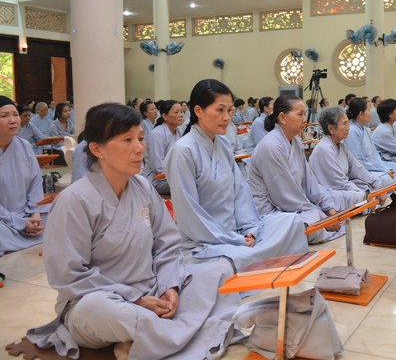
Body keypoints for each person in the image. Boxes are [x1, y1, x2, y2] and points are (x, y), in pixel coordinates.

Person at [27, 102, 242, 360]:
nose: (140, 148)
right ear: (97, 149)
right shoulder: (74, 200)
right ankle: (185, 335)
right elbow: (68, 275)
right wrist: (134, 299)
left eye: (140, 138)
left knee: (220, 270)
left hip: (153, 289)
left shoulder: (142, 186)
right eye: (127, 140)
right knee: (99, 310)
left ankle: (148, 339)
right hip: (104, 300)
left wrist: (170, 286)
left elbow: (167, 244)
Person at [164, 80, 308, 270]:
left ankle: (252, 256)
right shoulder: (183, 151)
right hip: (205, 241)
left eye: (230, 110)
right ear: (198, 111)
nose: (226, 117)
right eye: (220, 110)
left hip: (237, 232)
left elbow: (241, 192)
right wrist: (233, 240)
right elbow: (189, 215)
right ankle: (248, 259)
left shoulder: (222, 144)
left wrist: (250, 230)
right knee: (227, 264)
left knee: (292, 222)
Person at [248, 95, 352, 244]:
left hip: (295, 207)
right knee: (304, 223)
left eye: (305, 114)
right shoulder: (271, 146)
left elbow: (311, 183)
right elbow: (284, 196)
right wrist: (321, 215)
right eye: (300, 114)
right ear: (283, 118)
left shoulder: (296, 142)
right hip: (272, 211)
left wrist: (328, 208)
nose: (305, 120)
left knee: (331, 204)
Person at [0, 96, 49, 256]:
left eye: (15, 114)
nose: (13, 120)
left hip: (27, 213)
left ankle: (28, 232)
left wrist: (35, 213)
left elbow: (36, 182)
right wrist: (20, 223)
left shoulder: (25, 146)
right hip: (3, 220)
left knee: (61, 212)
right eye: (4, 116)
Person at [309, 106, 385, 204]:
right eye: (344, 124)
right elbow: (339, 184)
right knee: (361, 195)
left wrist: (376, 183)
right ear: (331, 128)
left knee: (369, 185)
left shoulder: (341, 146)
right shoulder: (324, 149)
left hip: (343, 187)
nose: (348, 127)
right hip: (330, 192)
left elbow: (358, 168)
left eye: (348, 123)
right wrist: (364, 195)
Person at [344, 97, 396, 187]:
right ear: (361, 114)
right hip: (362, 170)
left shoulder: (366, 130)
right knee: (385, 177)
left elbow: (375, 155)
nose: (371, 112)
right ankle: (394, 194)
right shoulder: (352, 131)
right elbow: (358, 161)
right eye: (368, 110)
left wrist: (383, 167)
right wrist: (383, 170)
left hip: (372, 165)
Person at [141, 100, 184, 195]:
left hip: (172, 175)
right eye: (176, 112)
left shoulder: (179, 131)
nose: (181, 115)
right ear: (165, 116)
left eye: (181, 112)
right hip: (155, 179)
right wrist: (179, 174)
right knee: (187, 184)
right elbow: (158, 167)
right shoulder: (156, 134)